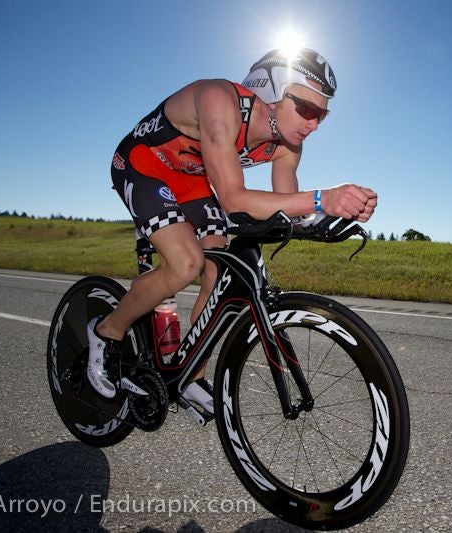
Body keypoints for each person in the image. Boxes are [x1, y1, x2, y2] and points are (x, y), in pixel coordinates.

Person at [87, 48, 378, 414]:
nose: (313, 123)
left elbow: (286, 203)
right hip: (144, 164)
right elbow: (234, 198)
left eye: (322, 114)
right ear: (271, 90)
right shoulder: (218, 100)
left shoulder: (289, 145)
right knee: (185, 264)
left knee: (219, 272)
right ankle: (106, 332)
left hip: (191, 179)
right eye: (306, 108)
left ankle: (190, 376)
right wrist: (323, 199)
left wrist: (329, 217)